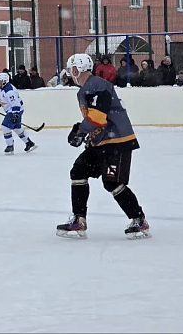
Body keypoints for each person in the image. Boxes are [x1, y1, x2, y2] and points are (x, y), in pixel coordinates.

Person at [58, 53, 149, 240]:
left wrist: (81, 131)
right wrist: (83, 131)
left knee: (112, 182)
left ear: (79, 69)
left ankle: (139, 220)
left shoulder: (97, 85)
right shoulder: (86, 89)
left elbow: (98, 117)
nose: (70, 73)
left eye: (72, 69)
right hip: (101, 141)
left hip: (117, 141)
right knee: (78, 171)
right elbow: (96, 118)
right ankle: (79, 219)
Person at [0, 72, 37, 155]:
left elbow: (16, 104)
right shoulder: (0, 89)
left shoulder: (10, 91)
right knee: (16, 128)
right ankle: (29, 143)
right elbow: (0, 99)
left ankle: (10, 146)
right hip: (12, 110)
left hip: (15, 110)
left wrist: (15, 114)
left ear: (4, 81)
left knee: (5, 126)